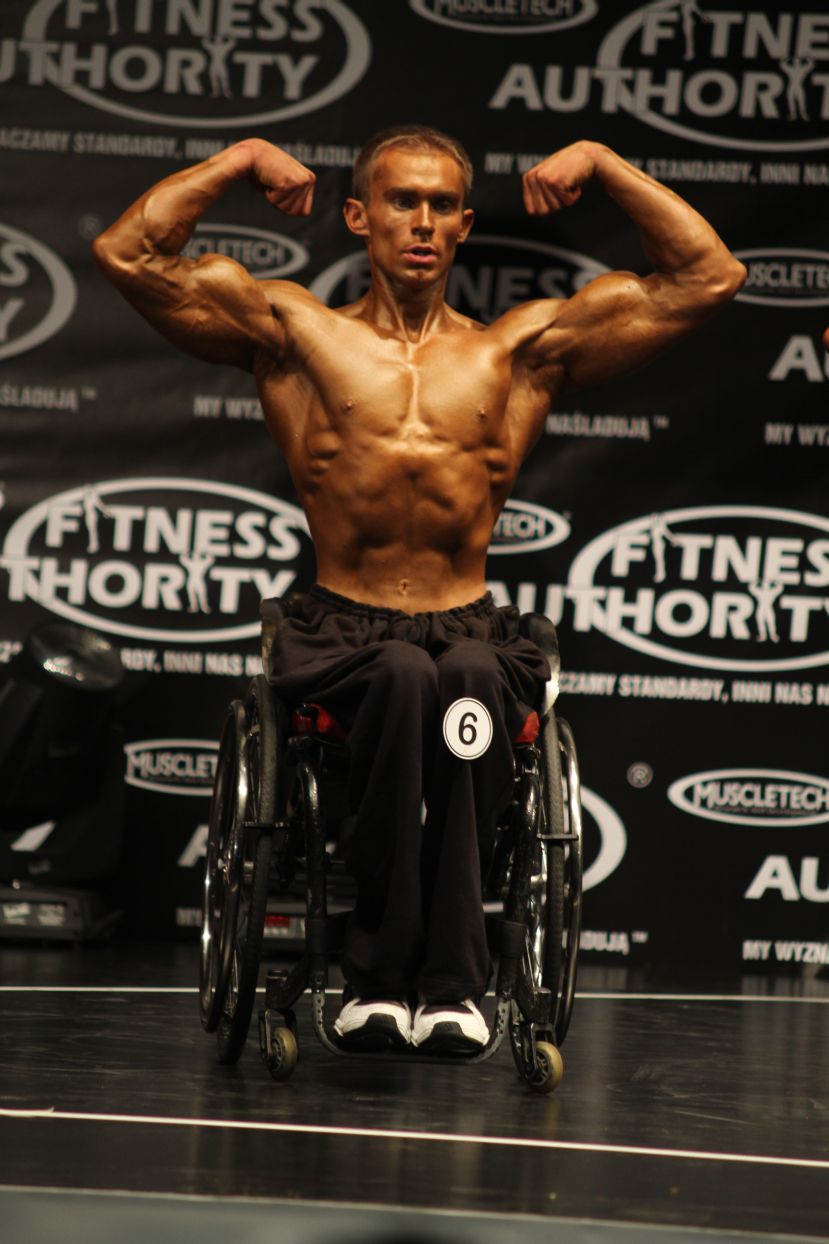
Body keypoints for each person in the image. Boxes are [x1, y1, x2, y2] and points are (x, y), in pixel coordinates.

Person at [93, 126, 746, 1054]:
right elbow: (130, 254)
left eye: (443, 205)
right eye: (403, 201)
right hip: (342, 633)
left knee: (467, 675)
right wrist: (238, 161)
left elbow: (706, 277)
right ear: (360, 216)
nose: (424, 222)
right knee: (403, 675)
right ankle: (375, 980)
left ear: (465, 225)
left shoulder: (516, 353)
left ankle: (453, 989)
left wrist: (603, 163)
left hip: (467, 625)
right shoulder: (295, 335)